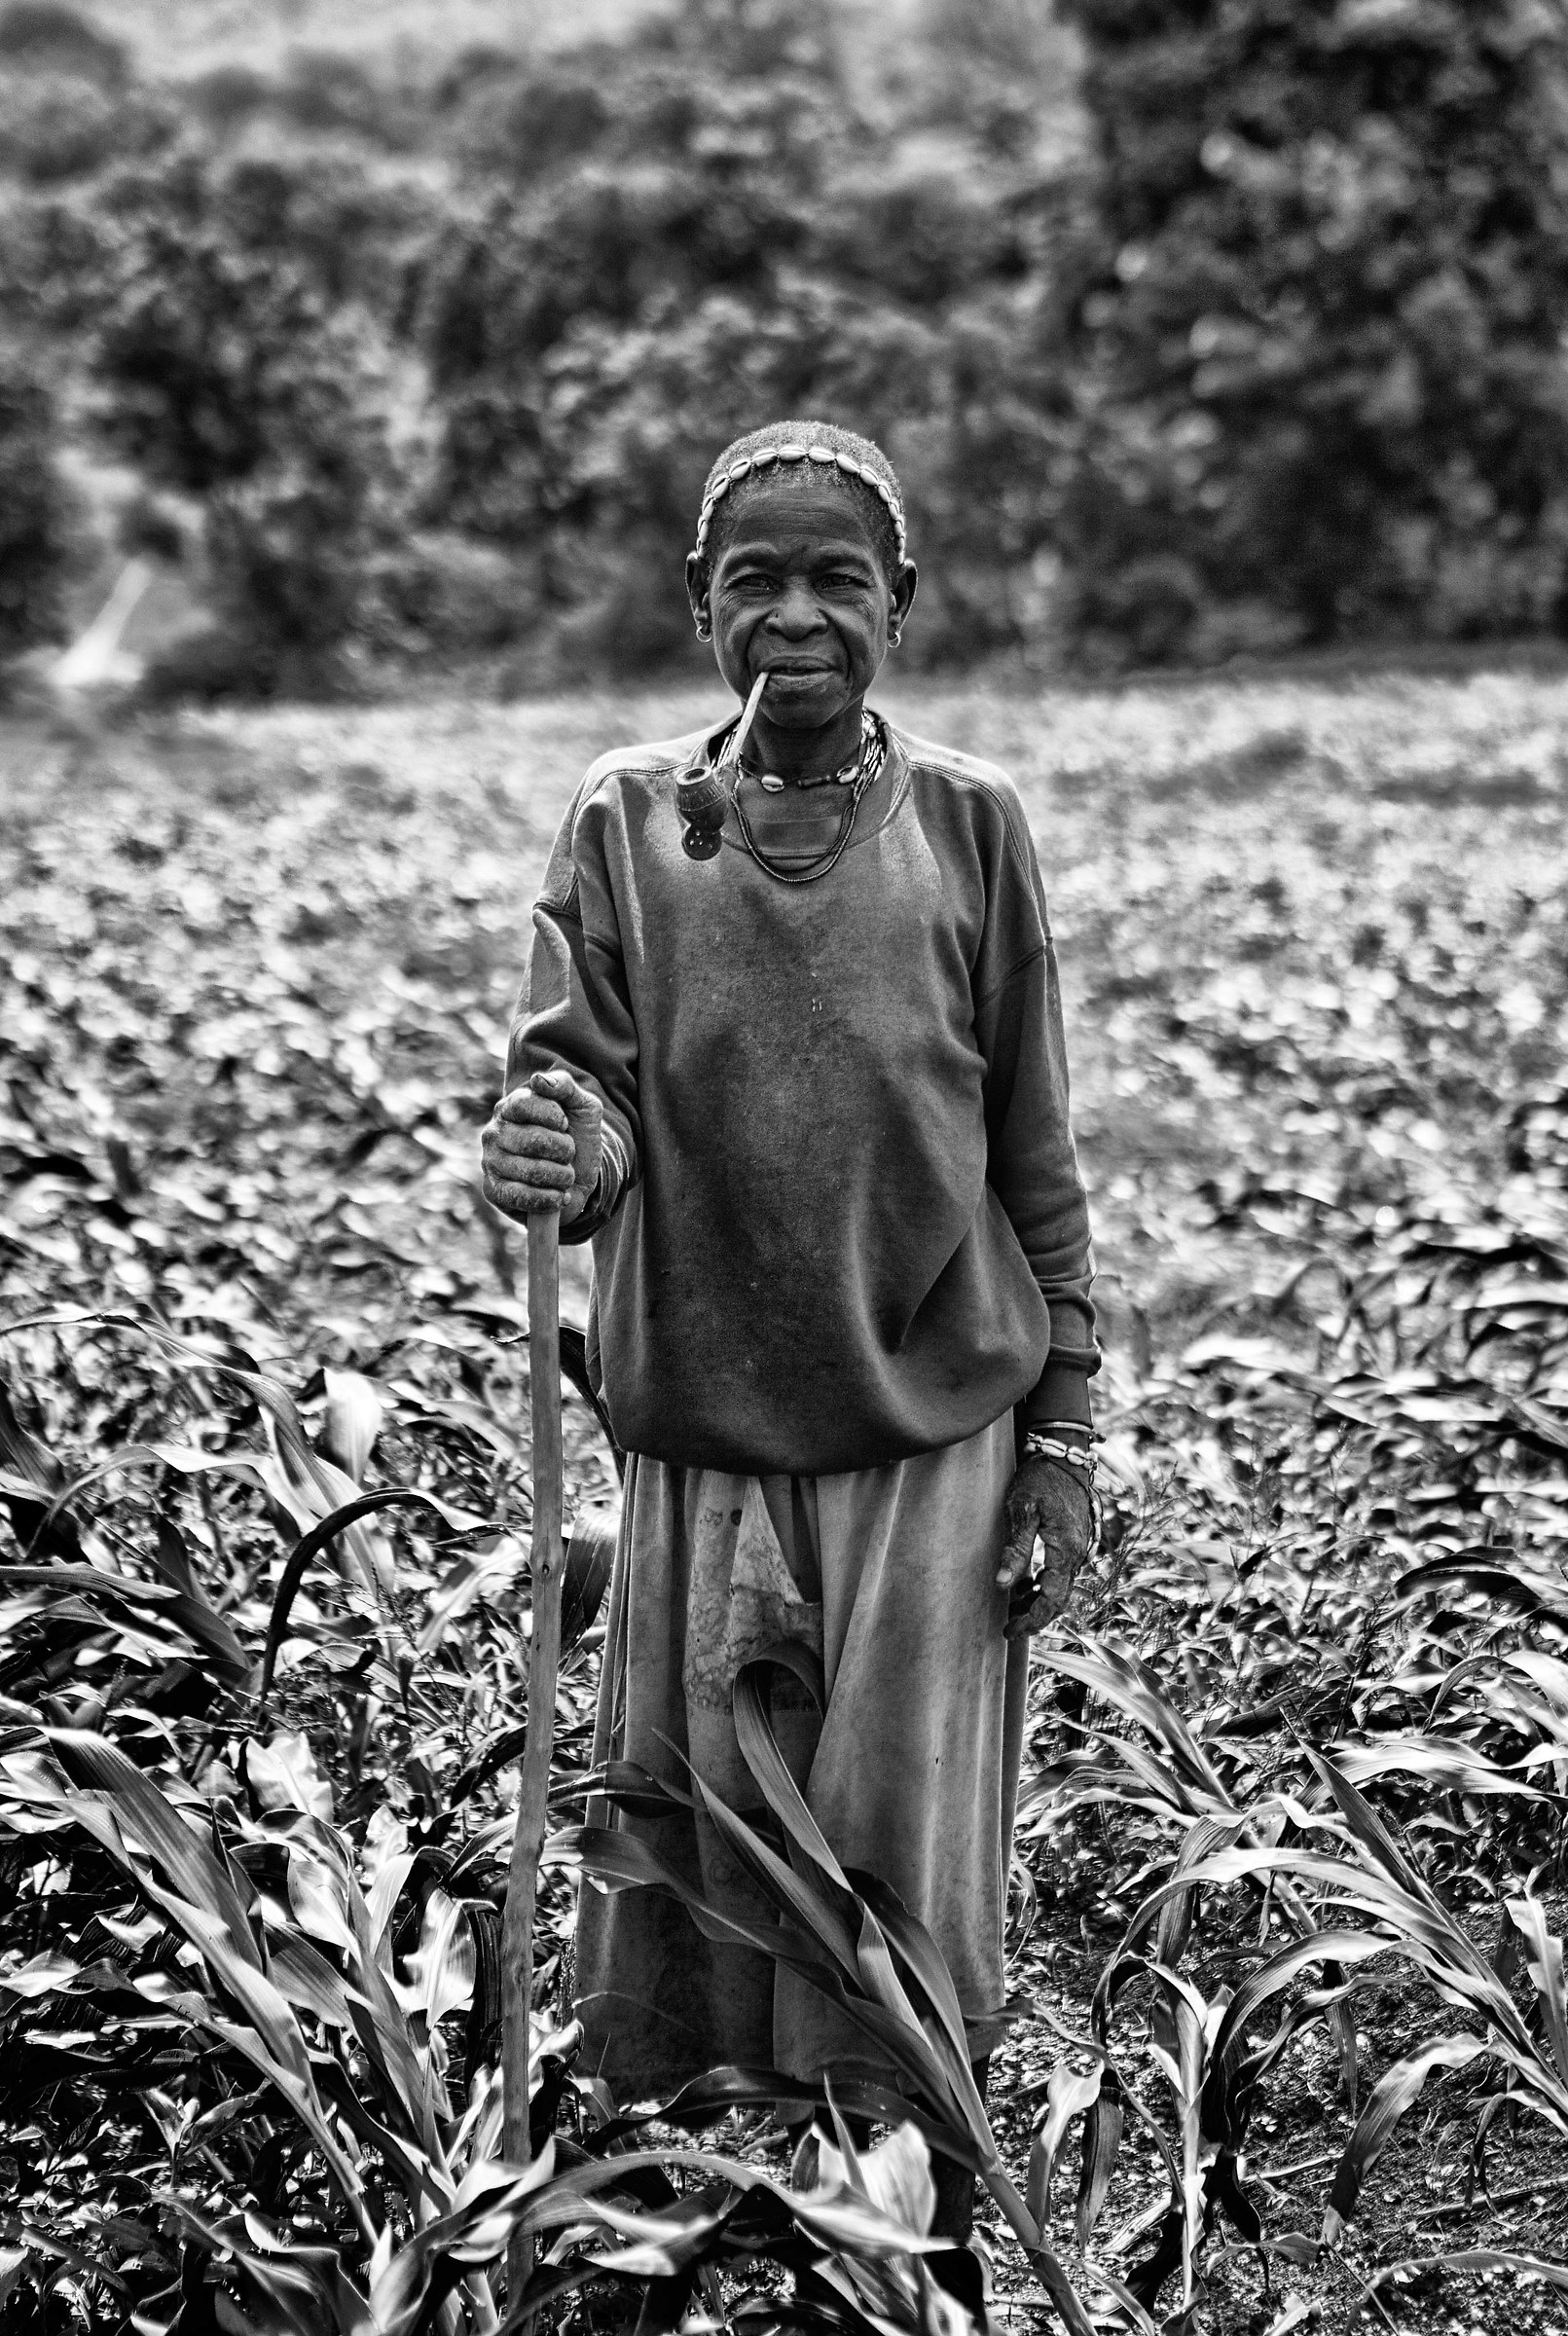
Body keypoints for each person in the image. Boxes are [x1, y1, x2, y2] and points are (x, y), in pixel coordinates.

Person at [480, 420, 1098, 2241]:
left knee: (892, 1885)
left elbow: (1035, 1156)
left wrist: (1066, 1441)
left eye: (841, 579)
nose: (799, 616)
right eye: (757, 580)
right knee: (700, 1865)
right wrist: (560, 1148)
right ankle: (690, 2223)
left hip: (932, 1434)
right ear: (701, 605)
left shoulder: (970, 828)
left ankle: (906, 2222)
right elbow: (583, 1098)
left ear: (901, 605)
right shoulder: (626, 824)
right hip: (706, 1426)